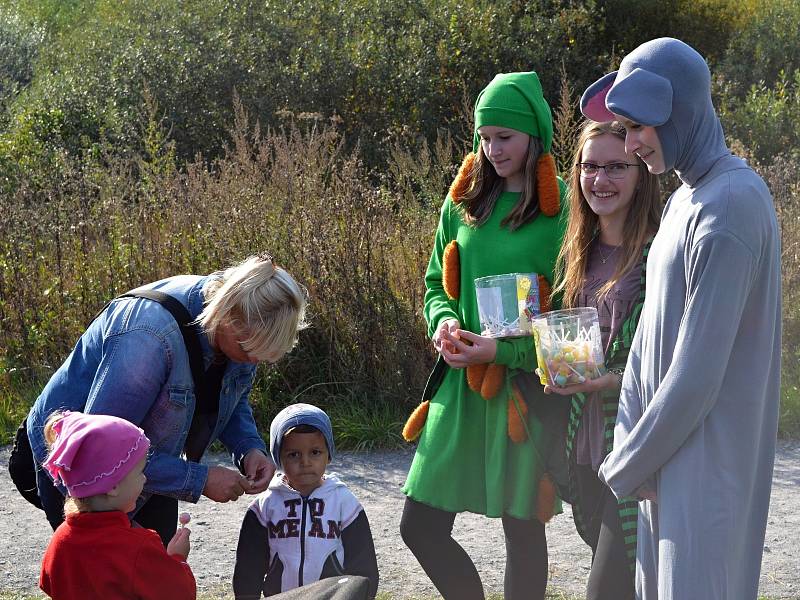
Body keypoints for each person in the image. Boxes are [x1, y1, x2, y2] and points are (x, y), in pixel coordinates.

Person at [580, 37, 781, 599]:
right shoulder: (684, 200)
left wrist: (626, 464)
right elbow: (649, 346)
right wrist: (633, 449)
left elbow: (698, 374)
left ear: (684, 110)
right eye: (624, 128)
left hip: (708, 473)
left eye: (640, 126)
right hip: (665, 468)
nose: (633, 143)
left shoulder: (731, 205)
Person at [399, 71, 568, 600]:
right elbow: (436, 284)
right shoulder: (462, 200)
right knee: (418, 526)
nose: (492, 149)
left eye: (505, 137)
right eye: (485, 136)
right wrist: (443, 323)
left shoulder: (562, 210)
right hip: (459, 389)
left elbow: (570, 313)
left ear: (533, 134)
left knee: (523, 529)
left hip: (524, 391)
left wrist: (507, 350)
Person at [26, 253, 308, 546]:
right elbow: (99, 455)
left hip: (142, 469)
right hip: (86, 479)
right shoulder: (147, 339)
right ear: (227, 314)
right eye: (249, 349)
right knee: (105, 580)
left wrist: (248, 448)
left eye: (263, 353)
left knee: (151, 572)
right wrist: (200, 479)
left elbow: (231, 396)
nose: (254, 359)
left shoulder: (242, 325)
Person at [545, 119, 661, 600]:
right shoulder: (579, 251)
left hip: (634, 448)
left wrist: (604, 381)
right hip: (584, 448)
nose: (600, 180)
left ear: (641, 173)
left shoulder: (658, 254)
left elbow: (668, 359)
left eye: (616, 166)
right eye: (590, 167)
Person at [38, 411, 196, 599]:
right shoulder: (139, 547)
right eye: (139, 472)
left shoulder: (60, 540)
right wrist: (178, 560)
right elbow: (179, 594)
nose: (144, 479)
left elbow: (47, 584)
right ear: (113, 486)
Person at [232, 403, 379, 599]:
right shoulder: (265, 506)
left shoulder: (344, 503)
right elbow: (248, 567)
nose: (305, 462)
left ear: (329, 455)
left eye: (315, 452)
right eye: (294, 454)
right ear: (278, 458)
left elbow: (363, 562)